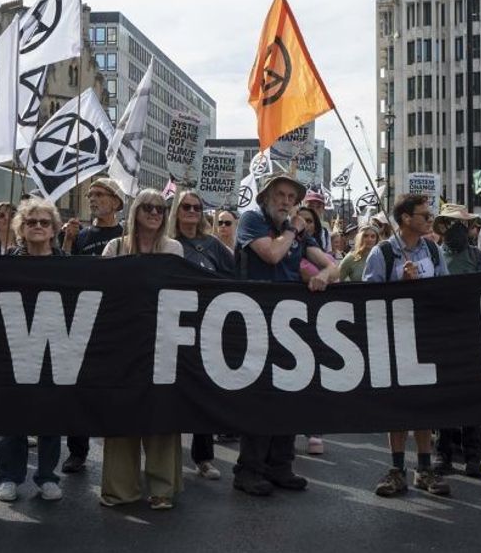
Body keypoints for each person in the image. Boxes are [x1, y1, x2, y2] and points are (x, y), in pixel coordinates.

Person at [232, 174, 338, 497]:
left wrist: (321, 275)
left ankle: (280, 465)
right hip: (255, 319)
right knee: (260, 396)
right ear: (266, 197)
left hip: (287, 324)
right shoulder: (252, 220)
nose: (287, 201)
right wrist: (293, 230)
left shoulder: (299, 234)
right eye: (280, 195)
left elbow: (333, 266)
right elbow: (273, 255)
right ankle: (249, 469)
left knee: (289, 392)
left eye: (292, 196)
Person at [100, 189, 186, 510]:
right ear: (135, 211)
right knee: (121, 413)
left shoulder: (173, 248)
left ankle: (162, 489)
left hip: (162, 340)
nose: (154, 213)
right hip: (122, 341)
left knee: (162, 412)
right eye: (147, 207)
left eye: (161, 209)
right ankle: (119, 489)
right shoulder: (115, 247)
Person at [365, 193, 451, 498]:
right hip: (395, 340)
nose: (430, 220)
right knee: (399, 406)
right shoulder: (383, 254)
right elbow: (367, 300)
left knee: (425, 405)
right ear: (405, 219)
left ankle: (425, 469)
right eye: (424, 216)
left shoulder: (432, 250)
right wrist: (398, 285)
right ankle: (397, 469)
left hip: (426, 337)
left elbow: (445, 287)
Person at [0, 197, 67, 503]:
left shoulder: (70, 266)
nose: (37, 227)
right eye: (30, 222)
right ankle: (10, 477)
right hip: (14, 348)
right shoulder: (7, 264)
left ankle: (47, 475)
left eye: (44, 222)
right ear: (20, 229)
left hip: (56, 348)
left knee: (50, 415)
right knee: (12, 415)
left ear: (54, 229)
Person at [58, 177, 125, 474]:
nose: (93, 199)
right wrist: (68, 242)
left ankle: (120, 450)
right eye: (90, 194)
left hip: (117, 320)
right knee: (79, 388)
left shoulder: (127, 235)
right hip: (83, 319)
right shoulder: (81, 235)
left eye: (99, 194)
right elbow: (65, 276)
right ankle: (77, 451)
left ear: (116, 201)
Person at [168, 190, 234, 481]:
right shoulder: (168, 244)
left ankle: (203, 457)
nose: (192, 211)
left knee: (201, 392)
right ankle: (165, 457)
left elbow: (233, 276)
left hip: (207, 326)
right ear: (176, 211)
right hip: (171, 325)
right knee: (170, 391)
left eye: (197, 206)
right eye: (186, 206)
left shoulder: (213, 245)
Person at [430, 203, 481, 478]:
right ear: (443, 227)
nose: (457, 230)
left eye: (461, 225)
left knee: (472, 398)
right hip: (442, 335)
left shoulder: (478, 258)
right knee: (444, 399)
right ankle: (442, 453)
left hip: (472, 334)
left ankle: (473, 455)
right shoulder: (432, 256)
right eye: (452, 225)